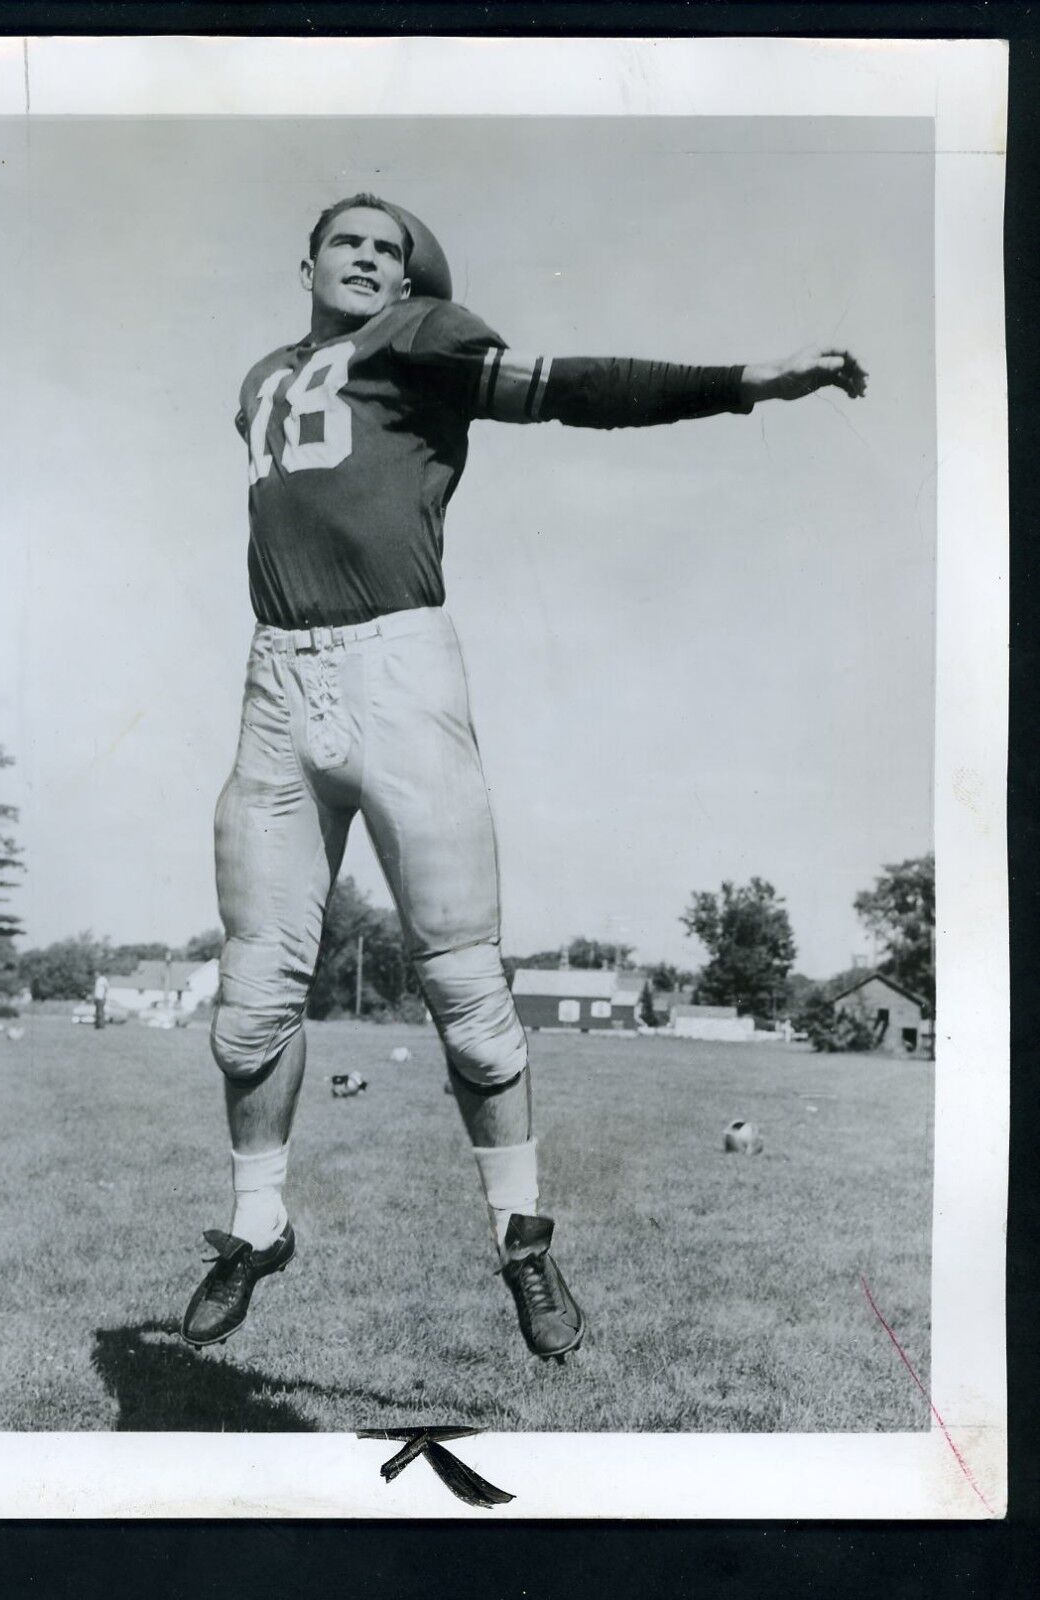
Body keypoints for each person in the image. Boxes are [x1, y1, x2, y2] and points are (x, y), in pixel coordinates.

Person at [182, 195, 867, 1361]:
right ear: (303, 261)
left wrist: (747, 379)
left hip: (397, 667)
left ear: (409, 280)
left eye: (386, 249)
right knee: (249, 1001)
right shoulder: (260, 377)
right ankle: (257, 1223)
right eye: (346, 241)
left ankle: (521, 1238)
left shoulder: (422, 339)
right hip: (273, 682)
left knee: (467, 994)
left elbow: (574, 391)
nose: (365, 258)